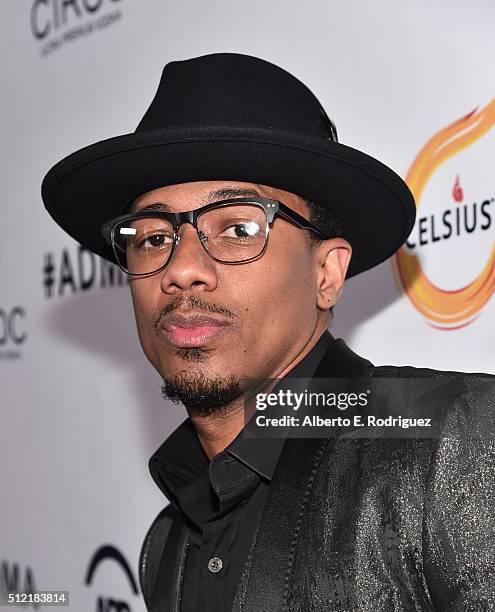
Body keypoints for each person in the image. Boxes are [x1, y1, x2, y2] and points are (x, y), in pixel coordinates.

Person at [42, 53, 495, 611]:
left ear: (326, 273)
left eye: (237, 227)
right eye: (154, 237)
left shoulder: (457, 441)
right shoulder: (165, 547)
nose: (182, 268)